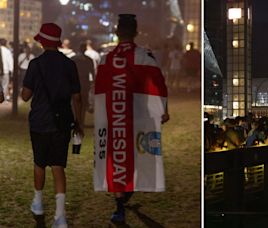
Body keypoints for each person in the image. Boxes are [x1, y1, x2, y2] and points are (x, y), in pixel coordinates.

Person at [93, 14, 170, 224]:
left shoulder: (105, 58)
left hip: (113, 117)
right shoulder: (145, 56)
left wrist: (96, 110)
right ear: (136, 33)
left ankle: (119, 206)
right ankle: (127, 191)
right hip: (138, 116)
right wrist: (163, 109)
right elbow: (159, 84)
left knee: (116, 155)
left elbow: (98, 89)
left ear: (117, 33)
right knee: (135, 154)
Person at [21, 23, 83, 228]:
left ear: (42, 42)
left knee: (39, 164)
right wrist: (79, 123)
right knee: (58, 166)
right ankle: (60, 216)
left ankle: (38, 203)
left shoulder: (35, 64)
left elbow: (26, 95)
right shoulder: (69, 65)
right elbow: (77, 97)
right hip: (62, 122)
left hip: (39, 121)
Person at [71, 43, 95, 127]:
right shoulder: (88, 59)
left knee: (75, 102)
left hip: (76, 83)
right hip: (84, 83)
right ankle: (80, 121)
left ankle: (76, 119)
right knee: (83, 103)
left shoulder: (73, 59)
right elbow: (93, 72)